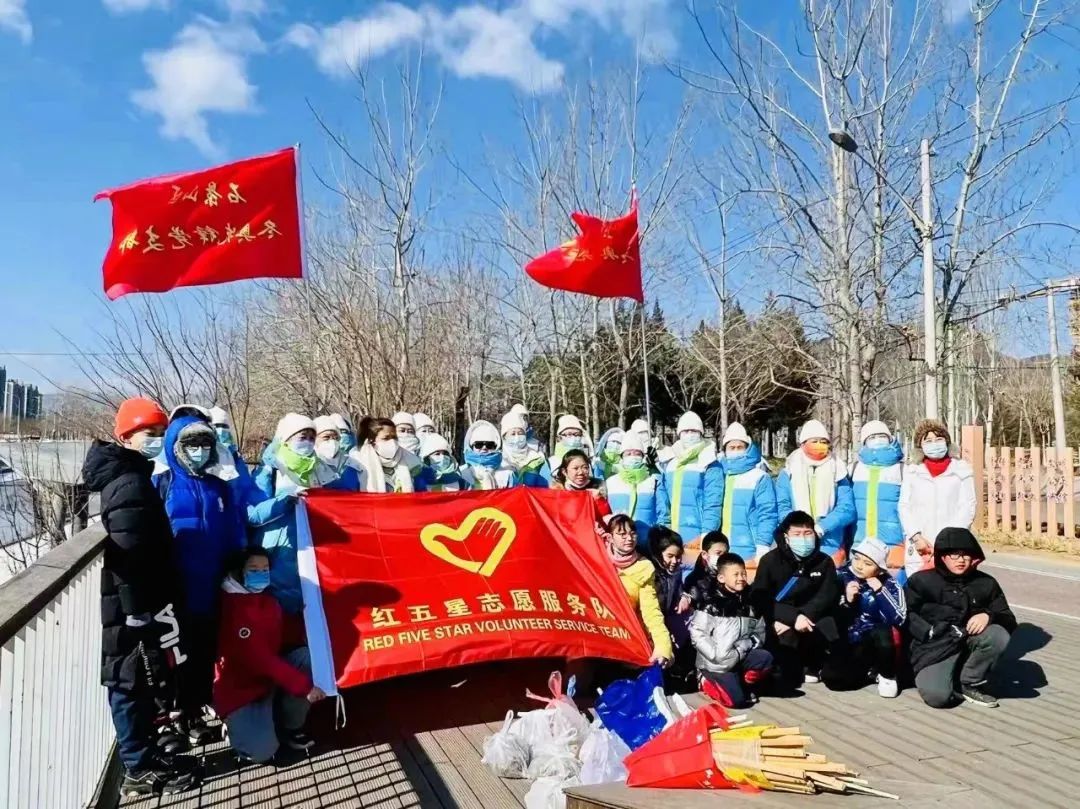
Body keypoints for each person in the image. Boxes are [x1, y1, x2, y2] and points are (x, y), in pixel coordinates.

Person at [82, 398, 195, 797]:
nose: (157, 440)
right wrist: (136, 610)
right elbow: (128, 550)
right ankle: (137, 768)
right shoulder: (129, 482)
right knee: (129, 680)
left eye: (161, 433)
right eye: (150, 433)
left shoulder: (131, 474)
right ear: (127, 435)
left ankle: (143, 755)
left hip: (140, 599)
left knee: (139, 679)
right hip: (131, 605)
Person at [155, 413, 253, 744]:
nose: (199, 451)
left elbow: (233, 528)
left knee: (204, 652)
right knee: (175, 655)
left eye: (205, 444)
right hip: (175, 588)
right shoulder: (163, 483)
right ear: (176, 447)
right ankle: (174, 717)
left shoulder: (218, 485)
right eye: (191, 445)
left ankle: (196, 711)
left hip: (212, 585)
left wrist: (238, 559)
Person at [214, 547, 325, 763]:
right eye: (254, 569)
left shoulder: (265, 598)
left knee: (307, 657)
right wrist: (305, 687)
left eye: (265, 569)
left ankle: (290, 726)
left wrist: (310, 622)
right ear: (239, 571)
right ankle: (233, 727)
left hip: (269, 679)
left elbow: (281, 630)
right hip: (242, 689)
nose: (261, 574)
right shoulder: (232, 607)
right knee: (262, 751)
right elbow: (260, 659)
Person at [253, 414, 356, 616]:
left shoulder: (321, 471)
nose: (307, 442)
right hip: (277, 551)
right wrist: (283, 501)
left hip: (313, 549)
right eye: (302, 437)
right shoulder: (270, 471)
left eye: (311, 438)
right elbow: (252, 516)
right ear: (286, 439)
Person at [906, 527, 1016, 708]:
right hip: (934, 647)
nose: (961, 560)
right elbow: (906, 614)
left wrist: (988, 616)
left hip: (968, 641)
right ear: (942, 556)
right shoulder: (921, 581)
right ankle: (948, 674)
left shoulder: (986, 583)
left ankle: (970, 682)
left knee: (998, 635)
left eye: (966, 555)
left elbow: (1008, 619)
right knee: (938, 698)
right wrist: (928, 632)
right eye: (954, 555)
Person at [752, 510, 841, 688]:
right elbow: (760, 598)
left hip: (811, 618)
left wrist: (802, 616)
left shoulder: (824, 562)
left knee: (828, 629)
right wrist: (791, 618)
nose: (803, 538)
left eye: (807, 533)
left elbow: (827, 596)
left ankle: (815, 665)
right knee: (788, 671)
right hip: (781, 618)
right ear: (786, 537)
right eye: (797, 534)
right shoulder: (770, 561)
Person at [821, 537, 906, 698]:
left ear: (879, 569)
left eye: (868, 563)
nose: (859, 566)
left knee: (881, 632)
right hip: (851, 639)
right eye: (857, 559)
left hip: (879, 641)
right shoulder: (840, 576)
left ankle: (887, 675)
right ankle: (867, 672)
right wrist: (847, 600)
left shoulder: (890, 584)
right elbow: (826, 611)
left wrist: (881, 592)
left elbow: (899, 618)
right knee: (833, 679)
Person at [690, 553, 773, 708]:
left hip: (739, 655)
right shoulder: (711, 603)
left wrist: (749, 643)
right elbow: (697, 633)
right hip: (715, 663)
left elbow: (759, 631)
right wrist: (715, 655)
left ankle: (743, 684)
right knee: (736, 701)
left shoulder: (750, 603)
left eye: (743, 573)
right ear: (721, 578)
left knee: (765, 659)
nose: (741, 578)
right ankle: (704, 679)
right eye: (735, 574)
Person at [898, 420, 976, 580]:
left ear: (947, 442)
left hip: (952, 547)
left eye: (939, 439)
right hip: (920, 546)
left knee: (951, 589)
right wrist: (916, 537)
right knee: (919, 588)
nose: (934, 444)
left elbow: (968, 506)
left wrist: (951, 540)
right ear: (920, 446)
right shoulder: (912, 471)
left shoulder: (961, 470)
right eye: (928, 440)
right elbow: (904, 506)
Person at [775, 420, 856, 564]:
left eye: (823, 441)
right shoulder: (789, 471)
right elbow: (782, 506)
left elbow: (847, 509)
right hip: (797, 542)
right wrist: (800, 529)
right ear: (803, 443)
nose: (819, 445)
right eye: (814, 441)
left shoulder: (838, 469)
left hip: (830, 543)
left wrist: (822, 527)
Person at [606, 515, 673, 666]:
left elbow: (651, 612)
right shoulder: (597, 559)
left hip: (626, 637)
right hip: (599, 634)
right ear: (610, 538)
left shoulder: (643, 567)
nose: (629, 538)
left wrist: (663, 647)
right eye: (622, 534)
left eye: (632, 533)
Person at [656, 411, 723, 545]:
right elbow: (663, 502)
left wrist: (707, 535)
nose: (690, 435)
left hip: (698, 536)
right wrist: (664, 530)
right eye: (686, 431)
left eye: (694, 431)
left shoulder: (709, 462)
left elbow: (713, 503)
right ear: (679, 434)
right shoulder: (670, 462)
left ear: (701, 433)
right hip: (672, 537)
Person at [717, 423, 778, 567]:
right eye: (731, 447)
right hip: (722, 547)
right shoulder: (720, 474)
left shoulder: (759, 477)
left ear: (747, 448)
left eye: (740, 447)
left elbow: (768, 513)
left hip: (750, 547)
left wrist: (763, 545)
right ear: (725, 450)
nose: (736, 451)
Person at [850, 420, 905, 571]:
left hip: (893, 547)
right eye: (872, 437)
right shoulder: (854, 469)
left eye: (882, 436)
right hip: (861, 545)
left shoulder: (902, 469)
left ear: (890, 438)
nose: (878, 440)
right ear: (864, 442)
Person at [649, 527, 695, 691]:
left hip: (668, 617)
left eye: (678, 556)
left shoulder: (675, 572)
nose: (675, 561)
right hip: (652, 623)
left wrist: (685, 597)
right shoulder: (651, 573)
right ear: (658, 554)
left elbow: (679, 590)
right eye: (670, 556)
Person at [604, 431, 661, 548]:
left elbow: (662, 513)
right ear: (621, 457)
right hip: (619, 544)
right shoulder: (610, 482)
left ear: (643, 456)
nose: (633, 457)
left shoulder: (652, 481)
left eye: (637, 453)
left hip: (648, 542)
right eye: (628, 453)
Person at [354, 416, 420, 493]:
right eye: (386, 438)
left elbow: (421, 492)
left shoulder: (411, 462)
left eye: (394, 437)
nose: (392, 442)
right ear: (372, 441)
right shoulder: (359, 464)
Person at [500, 412, 550, 487]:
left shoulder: (538, 460)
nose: (517, 437)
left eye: (520, 433)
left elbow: (548, 486)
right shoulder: (499, 462)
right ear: (504, 437)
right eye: (513, 434)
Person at [460, 420, 513, 489]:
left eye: (489, 445)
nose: (484, 448)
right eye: (478, 444)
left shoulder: (507, 474)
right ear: (471, 447)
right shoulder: (461, 474)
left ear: (496, 447)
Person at [312, 416, 361, 490]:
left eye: (336, 438)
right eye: (326, 437)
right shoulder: (309, 466)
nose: (332, 441)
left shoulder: (352, 464)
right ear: (314, 439)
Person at [684, 531, 730, 606]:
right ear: (704, 554)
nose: (722, 557)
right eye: (718, 553)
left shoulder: (731, 576)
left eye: (725, 553)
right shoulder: (694, 581)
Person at [546, 414, 592, 479]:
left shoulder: (589, 463)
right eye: (569, 434)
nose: (573, 437)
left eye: (577, 434)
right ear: (559, 438)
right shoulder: (550, 463)